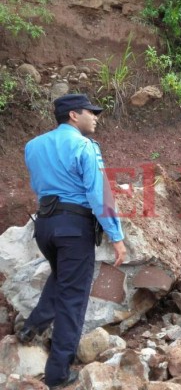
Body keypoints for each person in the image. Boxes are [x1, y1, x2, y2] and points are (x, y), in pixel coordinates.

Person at [18, 94, 127, 389]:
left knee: (64, 277)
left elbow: (37, 185)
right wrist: (116, 237)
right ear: (73, 116)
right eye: (91, 112)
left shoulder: (33, 146)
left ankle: (32, 327)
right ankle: (58, 373)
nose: (96, 117)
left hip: (44, 226)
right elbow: (99, 194)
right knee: (73, 298)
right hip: (73, 228)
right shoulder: (84, 146)